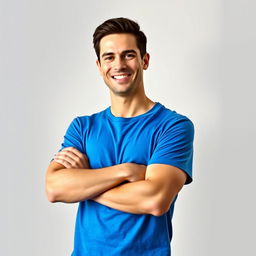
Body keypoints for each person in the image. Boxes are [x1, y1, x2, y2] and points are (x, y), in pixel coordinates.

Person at [46, 17, 194, 256]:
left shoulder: (173, 126)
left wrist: (84, 183)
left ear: (144, 61)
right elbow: (54, 188)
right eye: (109, 57)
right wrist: (126, 171)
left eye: (128, 55)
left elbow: (155, 200)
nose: (119, 65)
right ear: (99, 66)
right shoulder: (83, 127)